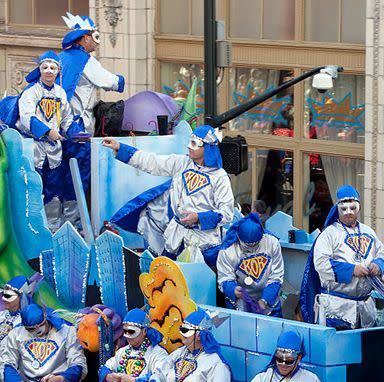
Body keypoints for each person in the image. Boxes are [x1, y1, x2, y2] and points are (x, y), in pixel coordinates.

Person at [102, 125, 234, 261]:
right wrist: (120, 147)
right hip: (176, 239)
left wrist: (199, 217)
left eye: (194, 143)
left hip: (205, 244)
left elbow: (226, 213)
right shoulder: (182, 163)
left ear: (207, 147)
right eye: (190, 141)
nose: (189, 146)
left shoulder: (220, 178)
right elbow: (152, 162)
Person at [301, 185, 384, 329]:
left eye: (353, 208)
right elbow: (321, 264)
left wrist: (377, 265)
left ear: (358, 208)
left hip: (366, 310)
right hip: (336, 310)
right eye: (344, 209)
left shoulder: (369, 232)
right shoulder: (329, 234)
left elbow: (382, 254)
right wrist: (351, 270)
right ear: (337, 208)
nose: (349, 213)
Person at [14, 52, 82, 232]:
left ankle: (52, 228)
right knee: (34, 188)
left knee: (55, 190)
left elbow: (67, 119)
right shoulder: (31, 92)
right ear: (40, 70)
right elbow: (27, 117)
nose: (49, 71)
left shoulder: (60, 93)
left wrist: (77, 134)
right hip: (34, 149)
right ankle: (34, 229)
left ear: (58, 71)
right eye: (45, 68)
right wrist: (47, 131)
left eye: (53, 68)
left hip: (55, 152)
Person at [59, 12, 124, 192]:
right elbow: (112, 82)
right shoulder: (85, 61)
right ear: (84, 39)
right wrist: (121, 79)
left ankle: (57, 218)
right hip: (78, 128)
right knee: (80, 173)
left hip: (58, 127)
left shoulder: (61, 57)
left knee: (60, 176)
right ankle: (75, 218)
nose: (96, 42)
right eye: (94, 37)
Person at [0, 303, 86, 382]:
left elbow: (78, 363)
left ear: (45, 317)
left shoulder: (67, 332)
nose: (36, 330)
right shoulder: (16, 334)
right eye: (30, 329)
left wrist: (61, 378)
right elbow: (6, 363)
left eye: (40, 325)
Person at [217, 212, 284, 316]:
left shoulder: (272, 243)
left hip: (269, 302)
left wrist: (265, 300)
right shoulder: (227, 250)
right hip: (239, 303)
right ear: (238, 237)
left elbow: (276, 276)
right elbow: (224, 278)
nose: (252, 249)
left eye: (256, 245)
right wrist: (234, 290)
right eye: (247, 246)